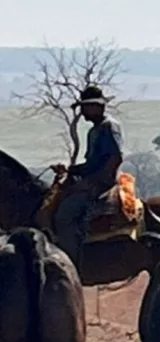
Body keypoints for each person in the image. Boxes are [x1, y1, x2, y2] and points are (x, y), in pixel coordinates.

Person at [49, 85, 124, 269]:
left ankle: (71, 266)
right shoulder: (95, 130)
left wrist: (92, 183)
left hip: (102, 183)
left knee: (63, 217)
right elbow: (91, 163)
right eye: (82, 106)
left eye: (86, 107)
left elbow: (115, 157)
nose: (82, 111)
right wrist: (70, 170)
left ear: (98, 107)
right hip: (93, 178)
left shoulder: (109, 127)